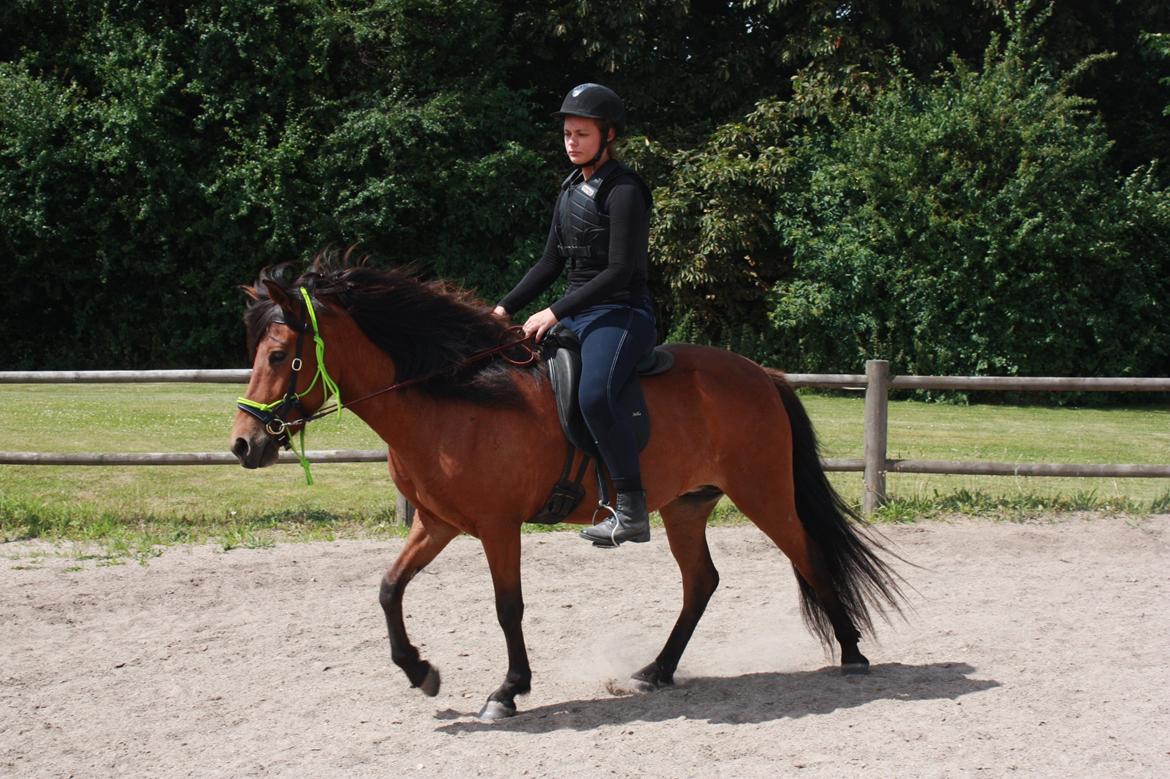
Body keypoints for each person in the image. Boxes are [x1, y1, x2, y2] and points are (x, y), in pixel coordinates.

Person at [493, 83, 656, 547]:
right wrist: (504, 307)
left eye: (581, 134)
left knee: (596, 395)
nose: (571, 142)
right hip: (579, 314)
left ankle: (631, 509)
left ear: (608, 136)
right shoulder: (569, 189)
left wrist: (554, 310)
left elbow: (621, 269)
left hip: (622, 313)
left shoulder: (624, 191)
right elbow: (550, 263)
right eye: (567, 133)